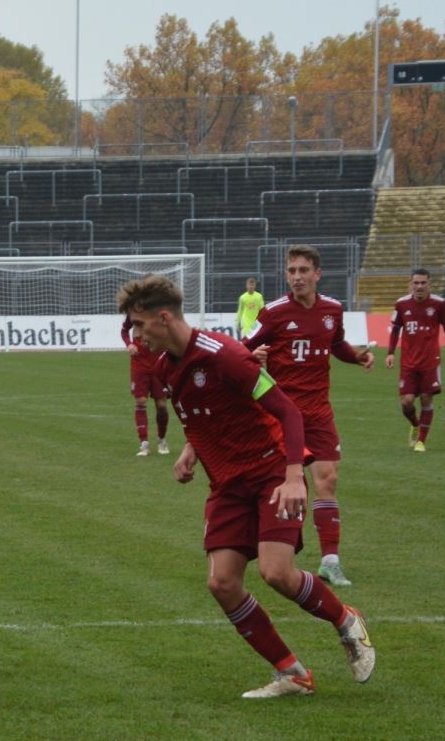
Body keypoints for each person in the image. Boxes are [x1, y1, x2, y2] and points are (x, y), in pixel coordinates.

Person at [117, 274, 374, 699]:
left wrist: (293, 477)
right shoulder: (165, 367)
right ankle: (293, 674)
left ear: (163, 318)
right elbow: (204, 415)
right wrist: (190, 450)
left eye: (140, 325)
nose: (136, 335)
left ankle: (346, 619)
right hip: (227, 484)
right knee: (222, 583)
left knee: (276, 573)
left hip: (272, 473)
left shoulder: (227, 355)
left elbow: (288, 412)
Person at [243, 245, 374, 588]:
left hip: (319, 413)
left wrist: (357, 357)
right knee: (286, 486)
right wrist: (254, 356)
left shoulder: (332, 310)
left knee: (327, 480)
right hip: (281, 414)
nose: (297, 277)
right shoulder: (273, 313)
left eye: (303, 270)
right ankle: (274, 554)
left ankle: (330, 561)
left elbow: (336, 344)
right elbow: (241, 350)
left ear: (317, 273)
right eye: (291, 271)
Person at [386, 268, 445, 452]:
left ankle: (421, 441)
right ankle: (415, 424)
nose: (419, 286)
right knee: (406, 401)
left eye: (423, 282)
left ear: (429, 284)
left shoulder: (439, 304)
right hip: (408, 361)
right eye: (416, 283)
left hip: (430, 361)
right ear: (411, 284)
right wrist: (390, 352)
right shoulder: (401, 304)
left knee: (426, 398)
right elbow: (395, 329)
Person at [121, 314, 170, 456]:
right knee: (141, 401)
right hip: (139, 362)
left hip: (158, 360)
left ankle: (161, 439)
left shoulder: (160, 311)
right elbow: (124, 331)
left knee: (161, 404)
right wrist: (129, 344)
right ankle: (144, 443)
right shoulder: (133, 312)